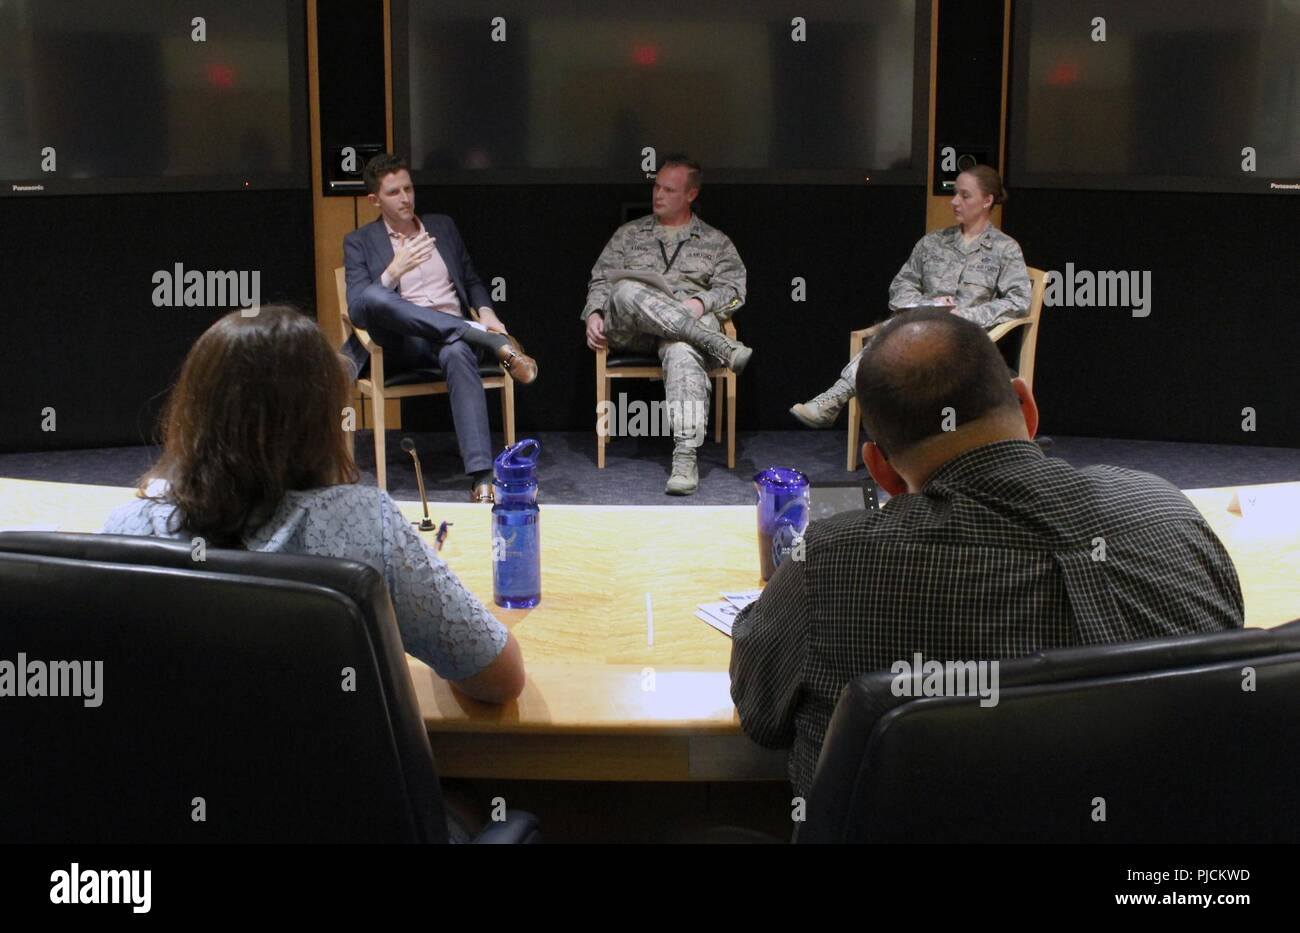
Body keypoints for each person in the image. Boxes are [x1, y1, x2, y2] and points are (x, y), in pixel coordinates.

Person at [731, 309, 1244, 799]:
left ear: (880, 470)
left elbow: (760, 716)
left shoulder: (828, 564)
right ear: (1026, 405)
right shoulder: (1166, 510)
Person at [102, 305, 526, 706]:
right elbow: (500, 679)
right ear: (322, 418)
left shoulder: (126, 529)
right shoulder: (365, 525)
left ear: (192, 409)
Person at [342, 153, 538, 503]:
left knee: (457, 348)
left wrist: (486, 311)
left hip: (450, 340)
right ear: (374, 200)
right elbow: (359, 309)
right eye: (393, 192)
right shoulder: (359, 241)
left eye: (408, 188)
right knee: (376, 295)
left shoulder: (442, 226)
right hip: (404, 342)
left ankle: (482, 479)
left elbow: (472, 278)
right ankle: (488, 341)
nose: (405, 198)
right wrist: (393, 272)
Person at [791, 165, 1031, 428]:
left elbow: (1019, 301)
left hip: (966, 339)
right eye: (954, 194)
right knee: (898, 332)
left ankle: (836, 398)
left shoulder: (1004, 249)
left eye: (965, 195)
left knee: (896, 338)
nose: (954, 201)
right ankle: (851, 409)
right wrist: (921, 305)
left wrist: (967, 315)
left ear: (987, 201)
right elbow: (902, 284)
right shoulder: (932, 243)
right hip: (921, 327)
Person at [583, 155, 751, 495]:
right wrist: (594, 313)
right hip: (634, 330)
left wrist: (701, 302)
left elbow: (735, 289)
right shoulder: (629, 234)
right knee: (626, 290)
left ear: (690, 195)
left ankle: (685, 456)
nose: (658, 195)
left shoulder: (715, 241)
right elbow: (601, 281)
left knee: (682, 348)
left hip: (683, 327)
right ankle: (716, 343)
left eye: (669, 189)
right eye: (656, 186)